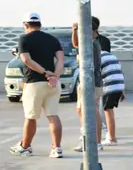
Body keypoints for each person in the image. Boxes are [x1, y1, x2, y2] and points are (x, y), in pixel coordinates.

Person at [10, 12, 64, 158]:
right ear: (40, 24)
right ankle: (57, 148)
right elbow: (60, 59)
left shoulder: (24, 39)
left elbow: (26, 60)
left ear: (25, 25)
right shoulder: (52, 39)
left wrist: (45, 73)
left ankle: (25, 146)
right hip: (53, 84)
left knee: (31, 117)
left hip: (34, 83)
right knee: (53, 116)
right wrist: (55, 76)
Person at [71, 18, 104, 152]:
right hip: (88, 81)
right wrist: (74, 31)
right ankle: (89, 138)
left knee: (90, 110)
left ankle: (95, 141)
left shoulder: (91, 43)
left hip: (91, 82)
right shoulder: (90, 42)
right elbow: (76, 45)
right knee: (82, 110)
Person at [99, 50, 125, 145]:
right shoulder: (110, 55)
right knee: (109, 110)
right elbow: (120, 70)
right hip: (119, 84)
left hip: (109, 85)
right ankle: (110, 136)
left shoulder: (95, 56)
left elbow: (96, 74)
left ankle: (112, 138)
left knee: (107, 111)